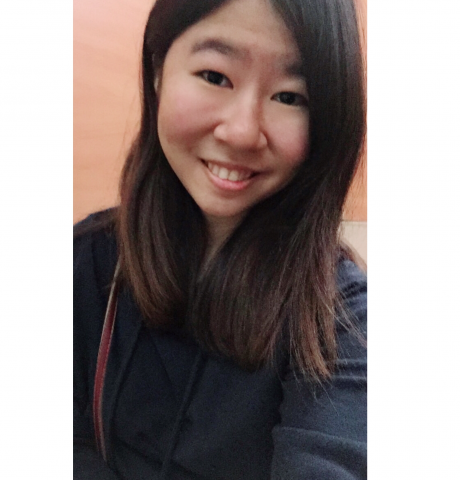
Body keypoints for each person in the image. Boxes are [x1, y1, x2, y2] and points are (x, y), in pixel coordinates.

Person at [74, 0, 367, 478]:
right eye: (215, 76)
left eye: (290, 97)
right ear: (158, 70)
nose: (242, 132)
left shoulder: (343, 319)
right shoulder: (85, 262)